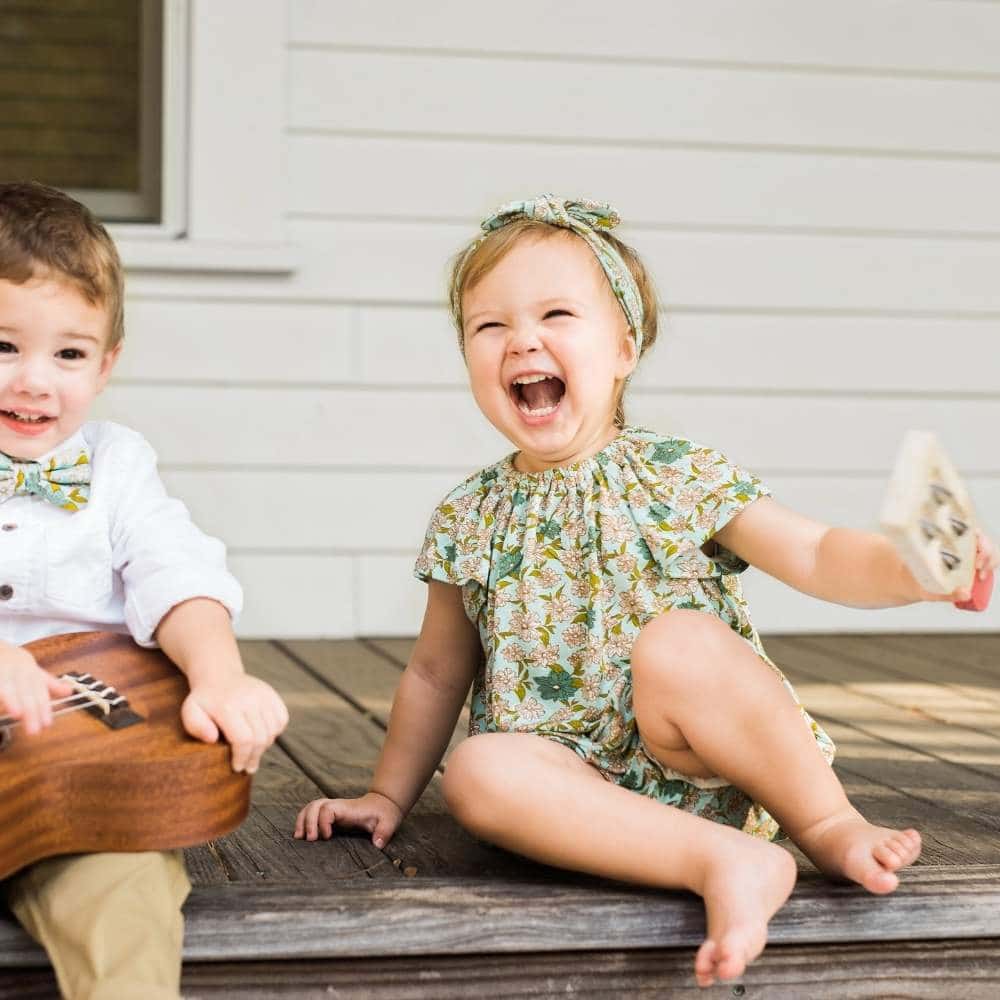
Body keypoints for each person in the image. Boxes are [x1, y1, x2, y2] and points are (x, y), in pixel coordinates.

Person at [294, 195, 997, 988]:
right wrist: (387, 794)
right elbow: (433, 672)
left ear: (625, 348)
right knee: (480, 769)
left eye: (557, 313)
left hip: (691, 753)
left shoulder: (674, 474)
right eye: (489, 326)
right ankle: (727, 861)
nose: (522, 338)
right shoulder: (471, 515)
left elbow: (818, 553)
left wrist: (914, 571)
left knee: (681, 641)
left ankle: (826, 823)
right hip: (573, 796)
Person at [0, 181, 289, 1000]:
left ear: (107, 363)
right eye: (3, 345)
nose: (33, 381)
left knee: (125, 900)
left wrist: (217, 675)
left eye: (68, 354)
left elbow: (175, 570)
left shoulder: (117, 466)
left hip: (73, 787)